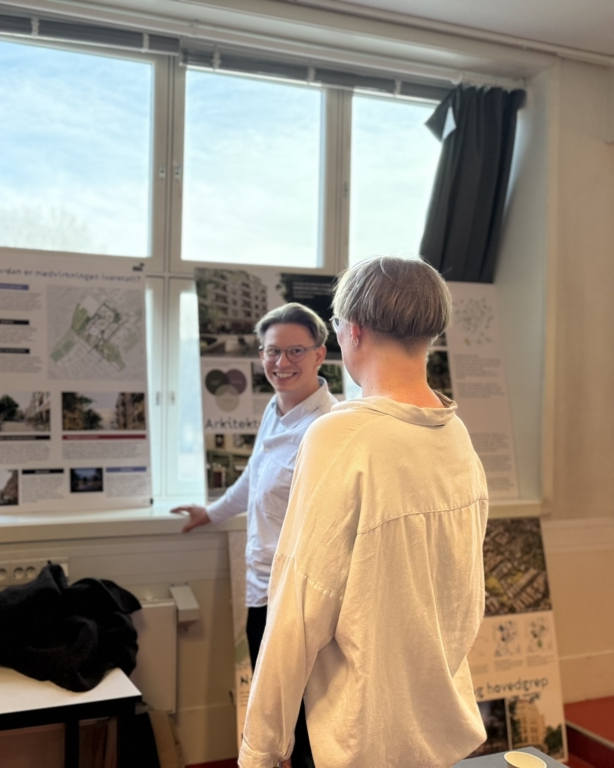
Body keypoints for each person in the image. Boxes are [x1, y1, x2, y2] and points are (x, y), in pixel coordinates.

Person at [239, 257, 489, 768]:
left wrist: (260, 749)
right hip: (437, 724)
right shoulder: (456, 435)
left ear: (352, 330)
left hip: (358, 732)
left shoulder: (341, 435)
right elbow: (463, 597)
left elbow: (298, 609)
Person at [173, 302, 337, 768]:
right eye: (271, 351)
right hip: (262, 590)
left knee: (308, 720)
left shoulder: (328, 427)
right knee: (275, 714)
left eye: (295, 351)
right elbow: (255, 476)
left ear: (320, 354)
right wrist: (211, 513)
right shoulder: (275, 408)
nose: (281, 363)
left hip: (300, 599)